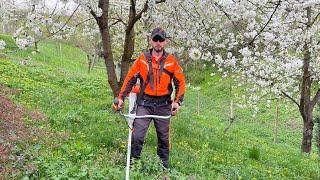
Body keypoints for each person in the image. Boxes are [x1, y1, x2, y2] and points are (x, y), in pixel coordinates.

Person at [113, 27, 185, 168]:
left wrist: (177, 102)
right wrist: (120, 97)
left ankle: (163, 168)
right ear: (151, 40)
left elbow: (180, 82)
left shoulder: (171, 61)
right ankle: (134, 165)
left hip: (164, 104)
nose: (158, 42)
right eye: (155, 39)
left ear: (165, 42)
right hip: (145, 103)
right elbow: (129, 79)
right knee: (137, 135)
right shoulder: (142, 59)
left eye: (161, 40)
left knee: (163, 139)